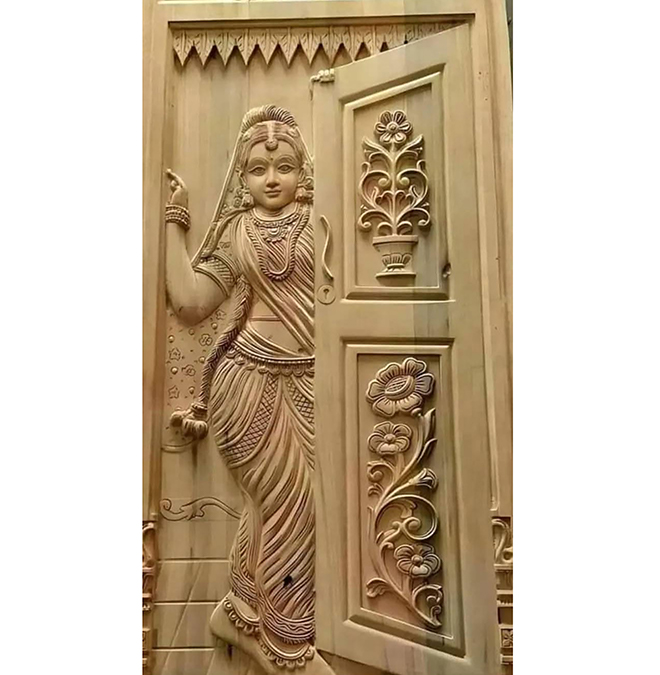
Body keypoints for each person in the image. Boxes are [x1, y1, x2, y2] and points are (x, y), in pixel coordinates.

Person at [164, 105, 333, 675]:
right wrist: (174, 220)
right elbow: (191, 303)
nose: (272, 178)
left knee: (277, 506)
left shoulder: (320, 221)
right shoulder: (237, 232)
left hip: (311, 381)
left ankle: (240, 614)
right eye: (259, 168)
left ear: (303, 170)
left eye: (284, 166)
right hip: (247, 383)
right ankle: (288, 648)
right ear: (241, 175)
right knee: (294, 504)